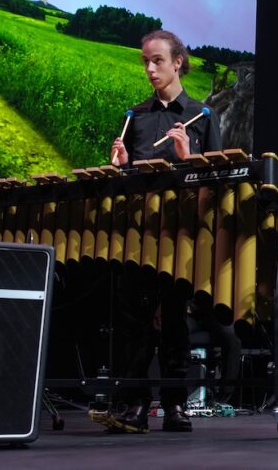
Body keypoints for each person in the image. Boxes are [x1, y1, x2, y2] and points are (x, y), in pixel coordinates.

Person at [93, 30, 223, 434]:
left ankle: (175, 405)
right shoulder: (136, 116)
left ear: (178, 62)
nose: (150, 69)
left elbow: (218, 178)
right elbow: (126, 178)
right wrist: (121, 164)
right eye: (145, 62)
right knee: (132, 320)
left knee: (173, 322)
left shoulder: (202, 116)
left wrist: (191, 158)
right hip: (140, 230)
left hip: (182, 231)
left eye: (158, 61)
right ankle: (133, 403)